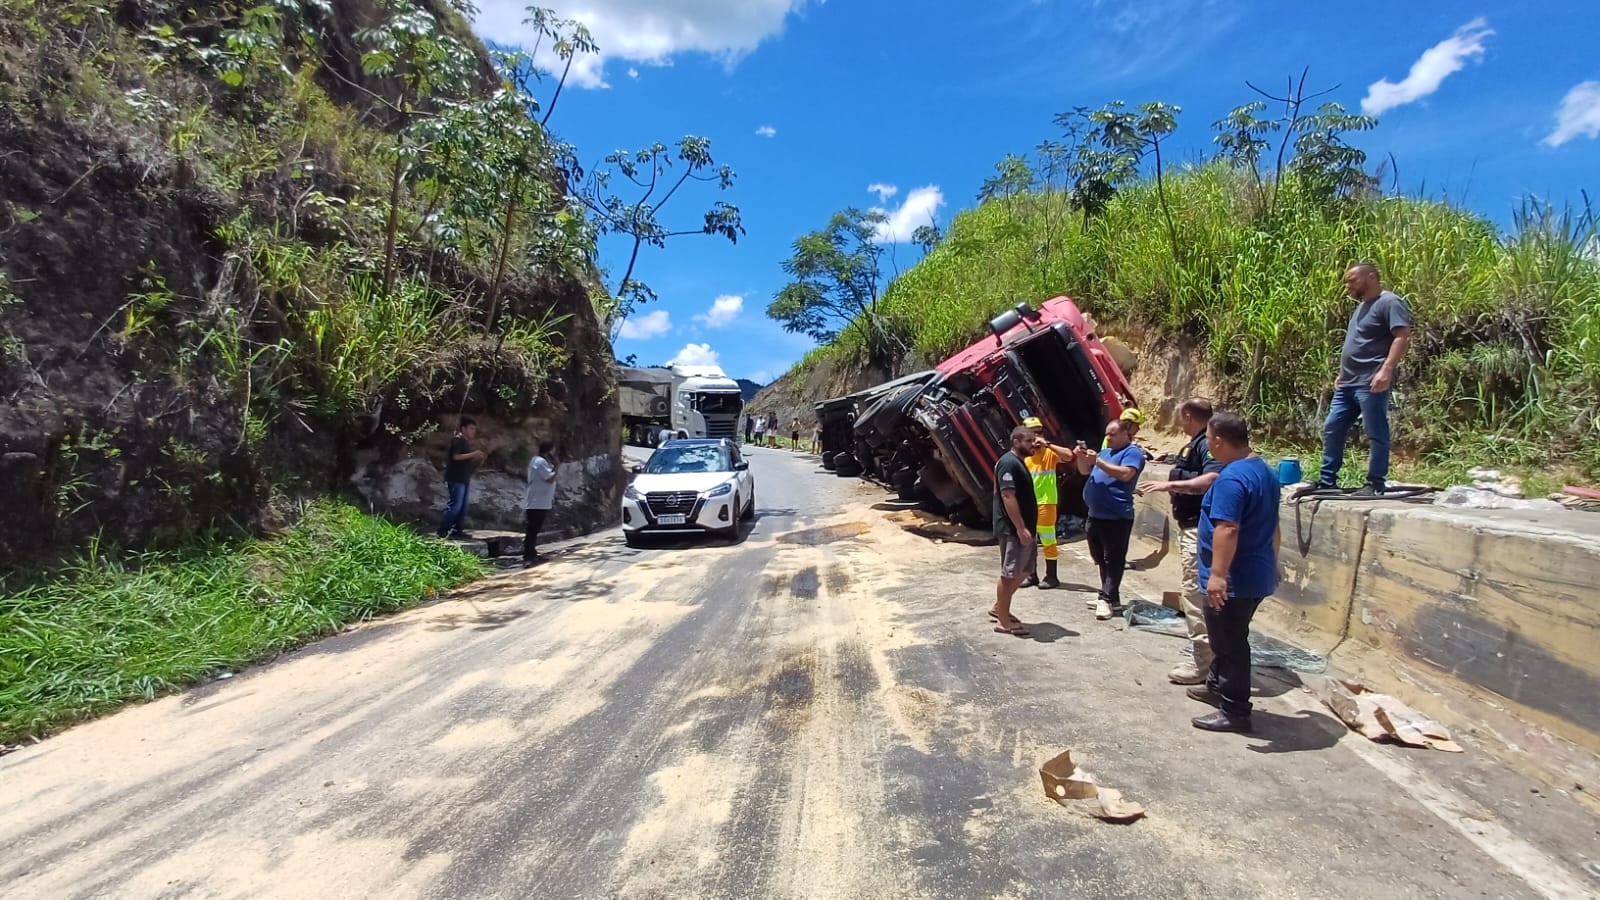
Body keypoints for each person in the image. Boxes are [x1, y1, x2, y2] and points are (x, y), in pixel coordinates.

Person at [1190, 412, 1281, 733]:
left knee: (1230, 643)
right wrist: (1275, 561)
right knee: (1228, 637)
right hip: (1255, 573)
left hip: (1234, 579)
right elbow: (1274, 525)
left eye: (1209, 439)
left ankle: (1235, 711)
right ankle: (1216, 687)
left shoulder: (1232, 479)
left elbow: (1227, 528)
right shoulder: (1265, 472)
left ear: (1217, 440)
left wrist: (1218, 576)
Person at [1306, 262, 1412, 498]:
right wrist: (1343, 372)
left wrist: (1386, 370)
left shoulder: (1390, 302)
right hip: (1348, 383)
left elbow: (1402, 337)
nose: (1348, 286)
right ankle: (1327, 481)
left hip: (1370, 381)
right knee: (1332, 427)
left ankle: (1375, 483)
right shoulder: (1362, 307)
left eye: (1352, 280)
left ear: (1371, 277)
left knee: (1375, 432)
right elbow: (1358, 342)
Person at [1137, 398, 1223, 684]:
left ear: (1187, 416)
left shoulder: (1205, 444)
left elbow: (1212, 478)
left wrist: (1170, 483)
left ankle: (1202, 665)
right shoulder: (1199, 443)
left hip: (1198, 529)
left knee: (1195, 595)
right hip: (1196, 527)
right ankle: (1213, 661)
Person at [1075, 419, 1146, 620]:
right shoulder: (1105, 453)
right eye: (1107, 434)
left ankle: (1105, 598)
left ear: (1126, 434)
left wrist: (1097, 461)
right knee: (1099, 558)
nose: (1108, 437)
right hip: (1095, 514)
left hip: (1116, 516)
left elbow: (1125, 474)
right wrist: (1082, 458)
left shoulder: (1132, 453)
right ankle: (1111, 599)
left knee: (1114, 559)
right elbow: (1083, 471)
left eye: (1112, 434)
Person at [989, 426, 1043, 636]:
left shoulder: (1019, 462)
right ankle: (1003, 620)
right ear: (1016, 442)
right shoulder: (1008, 463)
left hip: (1025, 528)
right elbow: (1008, 496)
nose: (1034, 444)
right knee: (1009, 573)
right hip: (1013, 529)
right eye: (1029, 441)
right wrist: (1020, 527)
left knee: (1026, 569)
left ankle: (998, 607)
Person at [1019, 416, 1078, 590]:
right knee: (1029, 542)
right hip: (1029, 505)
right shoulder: (1024, 456)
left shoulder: (1048, 453)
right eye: (1032, 433)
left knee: (1048, 540)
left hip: (1046, 504)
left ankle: (1051, 576)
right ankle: (1032, 575)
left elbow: (1069, 456)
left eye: (1038, 432)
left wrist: (1048, 444)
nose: (1035, 437)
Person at [437, 417, 485, 539]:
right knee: (455, 505)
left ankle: (457, 530)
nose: (473, 431)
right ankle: (443, 530)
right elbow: (456, 457)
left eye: (474, 429)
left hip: (464, 478)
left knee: (463, 507)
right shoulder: (457, 440)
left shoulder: (465, 442)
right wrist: (474, 454)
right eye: (471, 428)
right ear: (463, 428)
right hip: (456, 478)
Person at [523, 442, 558, 567]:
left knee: (535, 530)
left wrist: (554, 466)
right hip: (536, 502)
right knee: (532, 530)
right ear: (549, 452)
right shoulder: (539, 462)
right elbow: (550, 479)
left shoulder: (542, 462)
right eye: (553, 452)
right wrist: (557, 466)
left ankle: (532, 553)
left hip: (541, 502)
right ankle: (528, 556)